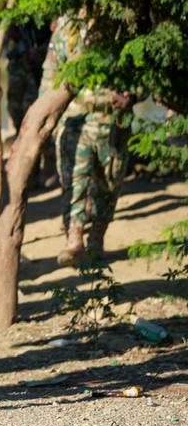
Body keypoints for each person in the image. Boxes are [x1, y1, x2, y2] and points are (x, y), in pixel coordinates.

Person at [39, 16, 135, 265]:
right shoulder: (66, 27)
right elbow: (51, 71)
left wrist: (132, 95)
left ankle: (96, 238)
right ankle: (74, 240)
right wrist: (45, 117)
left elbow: (141, 70)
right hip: (75, 116)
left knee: (109, 182)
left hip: (111, 119)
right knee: (73, 180)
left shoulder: (121, 23)